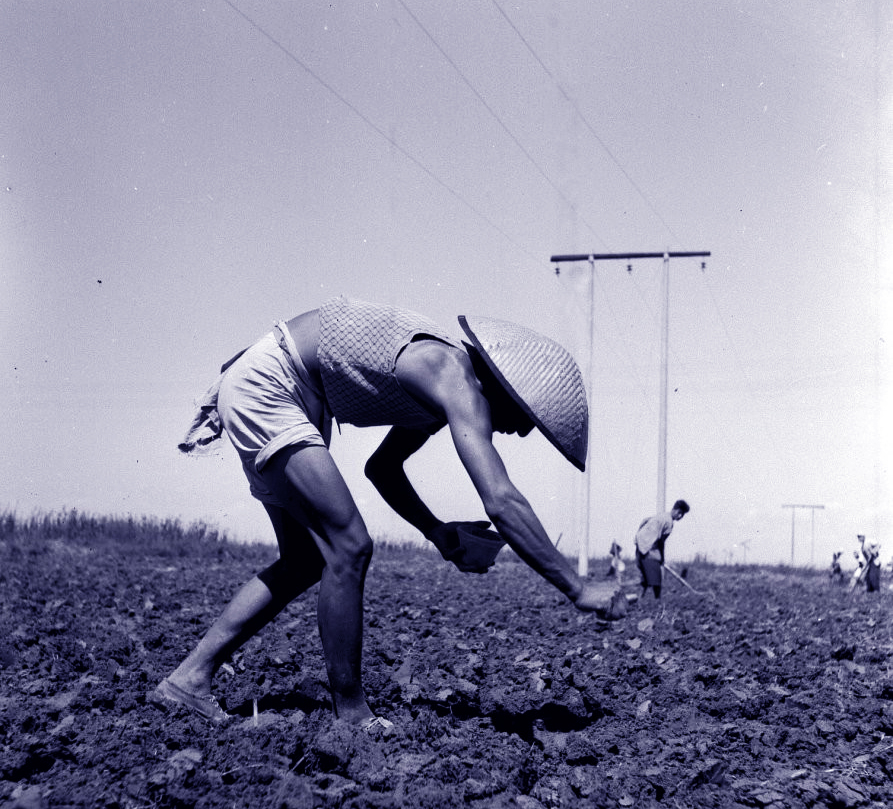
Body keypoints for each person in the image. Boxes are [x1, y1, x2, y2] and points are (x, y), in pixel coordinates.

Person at [151, 296, 625, 728]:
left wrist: (439, 533)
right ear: (511, 389)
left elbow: (382, 468)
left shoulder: (438, 391)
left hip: (279, 387)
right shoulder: (451, 375)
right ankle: (353, 714)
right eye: (529, 420)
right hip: (273, 386)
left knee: (307, 560)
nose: (522, 432)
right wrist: (577, 586)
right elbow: (500, 499)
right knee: (349, 546)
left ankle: (189, 678)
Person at [634, 500, 690, 600]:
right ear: (677, 511)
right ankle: (657, 601)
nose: (680, 517)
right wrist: (661, 558)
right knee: (656, 576)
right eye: (681, 514)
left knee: (646, 575)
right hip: (648, 547)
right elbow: (661, 542)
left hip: (639, 543)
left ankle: (640, 598)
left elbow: (644, 520)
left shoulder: (661, 515)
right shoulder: (669, 523)